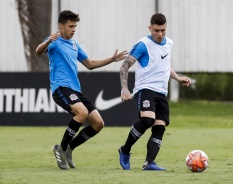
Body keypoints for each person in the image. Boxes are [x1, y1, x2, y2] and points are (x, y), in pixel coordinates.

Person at [35, 10, 127, 170]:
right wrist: (48, 41)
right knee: (82, 113)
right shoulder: (54, 41)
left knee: (98, 123)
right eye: (70, 26)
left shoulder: (75, 44)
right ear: (61, 26)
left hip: (75, 90)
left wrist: (112, 59)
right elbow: (38, 51)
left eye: (75, 27)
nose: (73, 29)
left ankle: (70, 148)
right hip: (60, 88)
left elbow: (90, 64)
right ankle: (61, 149)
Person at [118, 13, 191, 171]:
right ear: (150, 28)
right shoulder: (142, 45)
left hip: (161, 92)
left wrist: (177, 78)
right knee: (148, 120)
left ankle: (149, 163)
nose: (160, 34)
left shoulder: (169, 43)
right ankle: (124, 150)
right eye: (156, 30)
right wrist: (124, 87)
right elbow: (124, 65)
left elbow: (164, 65)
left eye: (163, 30)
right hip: (145, 89)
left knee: (160, 126)